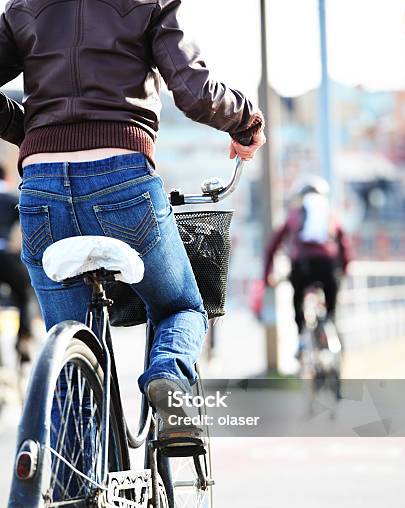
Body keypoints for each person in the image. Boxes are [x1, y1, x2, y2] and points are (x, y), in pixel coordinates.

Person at [0, 4, 265, 431]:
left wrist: (30, 128)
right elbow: (194, 92)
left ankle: (71, 494)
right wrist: (245, 122)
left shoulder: (22, 6)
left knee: (68, 358)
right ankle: (168, 379)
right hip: (122, 180)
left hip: (41, 189)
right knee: (181, 306)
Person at [264, 176, 351, 343]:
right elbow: (344, 246)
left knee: (297, 298)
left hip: (301, 266)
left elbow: (273, 245)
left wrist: (268, 273)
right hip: (327, 267)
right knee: (332, 306)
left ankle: (301, 338)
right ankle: (330, 326)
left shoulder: (293, 215)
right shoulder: (330, 215)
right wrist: (345, 269)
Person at [0, 162, 33, 361]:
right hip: (6, 255)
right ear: (7, 178)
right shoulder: (13, 198)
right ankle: (23, 339)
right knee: (24, 293)